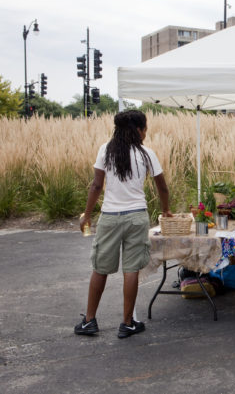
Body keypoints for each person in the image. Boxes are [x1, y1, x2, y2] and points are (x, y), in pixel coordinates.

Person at [75, 110, 172, 339]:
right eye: (145, 128)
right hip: (137, 217)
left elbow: (96, 186)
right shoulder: (147, 154)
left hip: (109, 217)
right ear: (138, 129)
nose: (146, 133)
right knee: (131, 270)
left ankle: (89, 321)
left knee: (100, 268)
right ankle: (127, 323)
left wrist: (86, 215)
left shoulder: (105, 150)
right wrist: (166, 209)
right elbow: (163, 187)